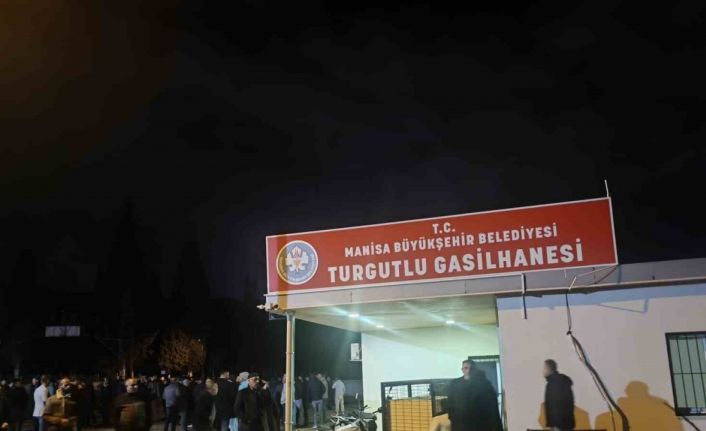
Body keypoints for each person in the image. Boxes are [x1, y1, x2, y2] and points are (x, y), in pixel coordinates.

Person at [447, 359, 502, 431]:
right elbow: (450, 402)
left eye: (471, 368)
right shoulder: (455, 384)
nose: (468, 370)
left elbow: (492, 405)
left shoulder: (484, 384)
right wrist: (452, 417)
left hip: (479, 423)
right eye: (466, 368)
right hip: (461, 423)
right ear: (462, 369)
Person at [543, 359, 575, 431]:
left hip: (558, 426)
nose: (543, 371)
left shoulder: (553, 384)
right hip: (568, 424)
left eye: (544, 368)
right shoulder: (563, 381)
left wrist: (554, 425)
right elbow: (570, 403)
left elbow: (554, 405)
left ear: (548, 369)